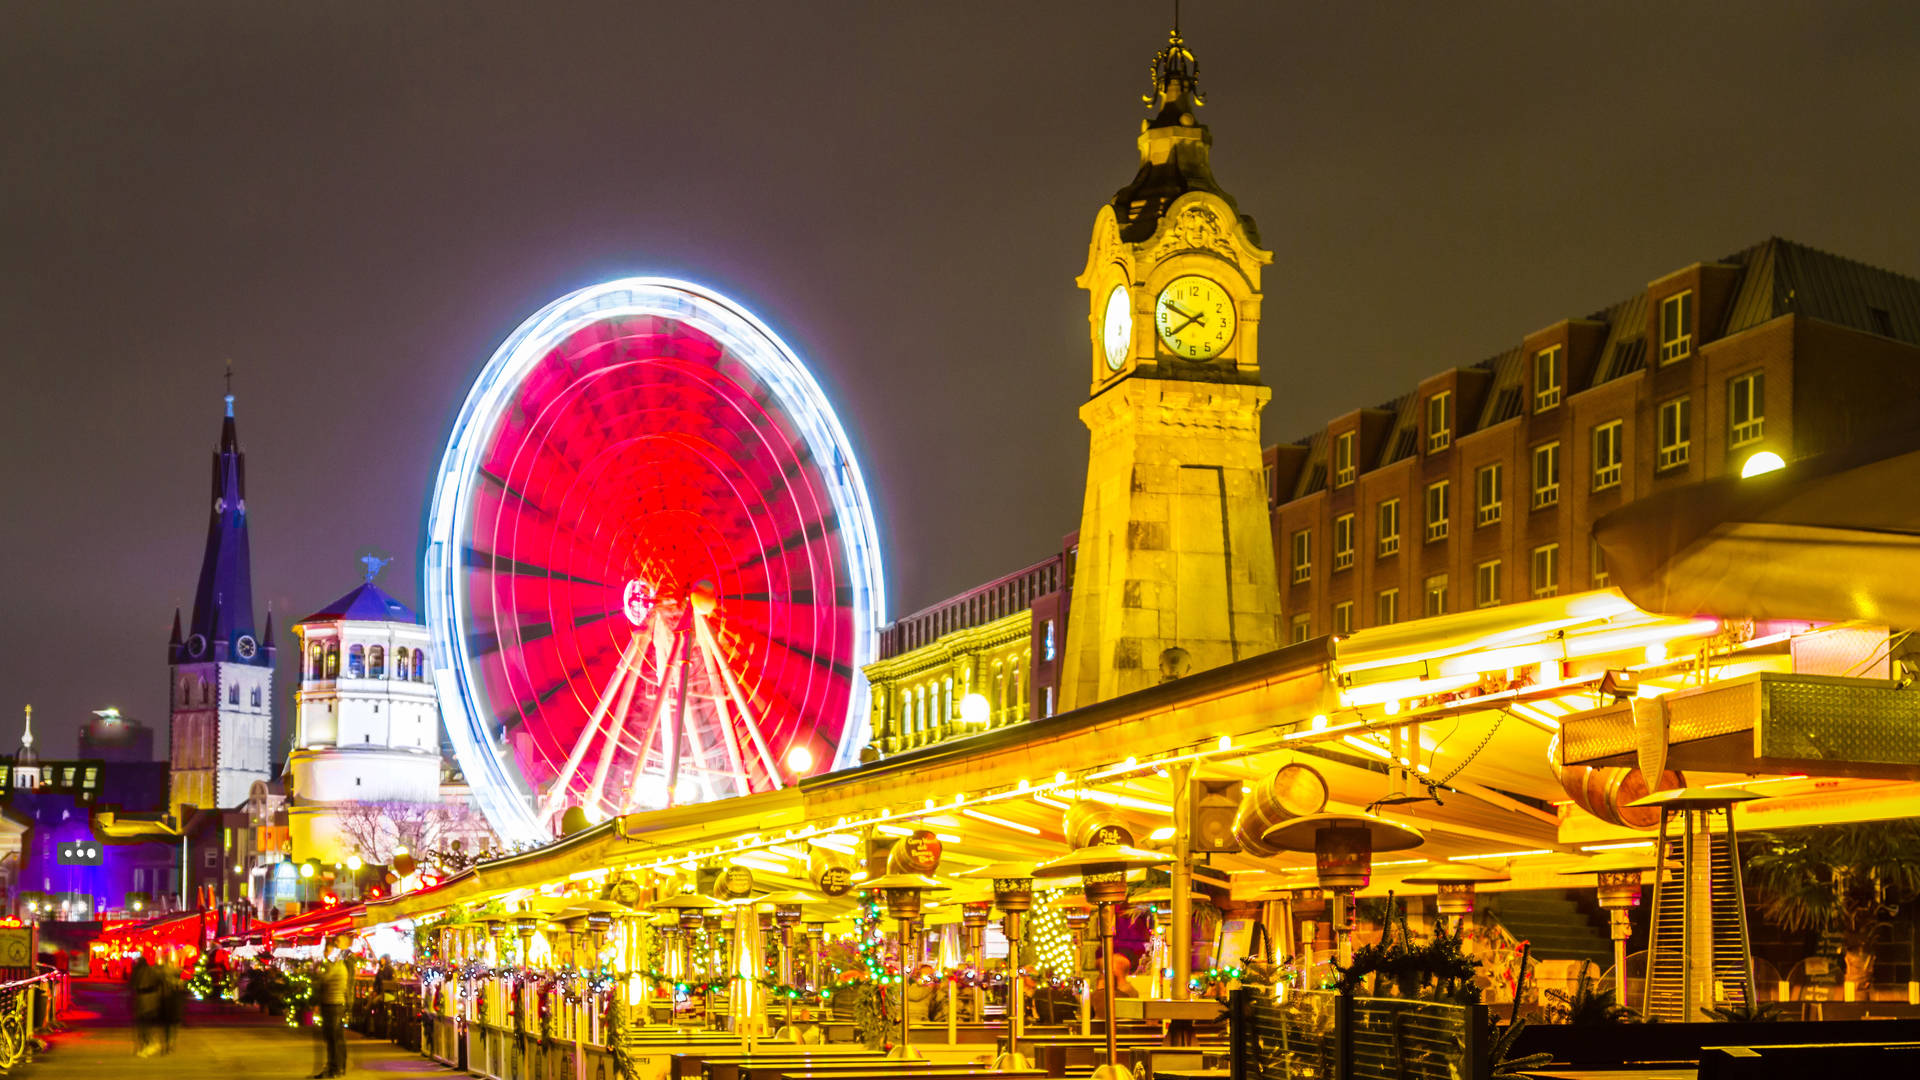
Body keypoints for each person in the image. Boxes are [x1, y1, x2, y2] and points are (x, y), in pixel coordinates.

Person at [312, 943, 351, 1078]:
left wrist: (317, 972)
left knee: (334, 1037)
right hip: (332, 1004)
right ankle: (334, 1067)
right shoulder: (335, 966)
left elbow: (324, 979)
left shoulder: (337, 966)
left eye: (327, 950)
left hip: (334, 1004)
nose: (325, 952)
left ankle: (335, 1068)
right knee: (333, 1037)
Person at [129, 955, 161, 1057]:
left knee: (143, 1023)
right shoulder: (151, 971)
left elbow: (132, 984)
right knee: (147, 1022)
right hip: (151, 998)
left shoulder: (138, 972)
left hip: (142, 999)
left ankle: (146, 1044)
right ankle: (148, 1043)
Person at [158, 953, 185, 1053]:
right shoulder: (173, 970)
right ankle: (170, 1043)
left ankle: (166, 1043)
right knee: (171, 1024)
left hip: (164, 999)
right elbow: (181, 978)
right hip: (171, 1000)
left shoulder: (161, 970)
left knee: (165, 1024)